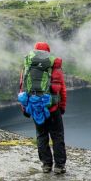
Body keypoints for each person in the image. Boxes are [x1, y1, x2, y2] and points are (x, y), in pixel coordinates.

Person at [20, 41, 68, 174]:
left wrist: (24, 107)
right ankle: (59, 166)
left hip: (36, 107)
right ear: (48, 51)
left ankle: (46, 165)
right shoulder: (53, 64)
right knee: (57, 136)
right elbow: (62, 89)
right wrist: (62, 106)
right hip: (52, 107)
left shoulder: (28, 64)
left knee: (41, 135)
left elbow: (23, 86)